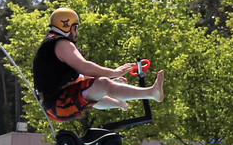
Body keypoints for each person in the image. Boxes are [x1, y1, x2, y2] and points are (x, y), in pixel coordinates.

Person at [32, 7, 165, 122]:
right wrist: (114, 73)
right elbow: (84, 67)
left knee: (95, 86)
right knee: (102, 83)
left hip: (53, 106)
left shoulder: (50, 44)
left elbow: (80, 75)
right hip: (58, 104)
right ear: (67, 26)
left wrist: (111, 83)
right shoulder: (62, 43)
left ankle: (119, 103)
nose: (77, 33)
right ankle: (151, 93)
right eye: (76, 28)